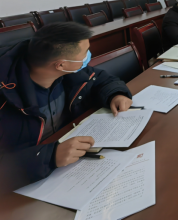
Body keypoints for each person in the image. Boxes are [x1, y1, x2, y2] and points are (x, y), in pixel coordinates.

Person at [0, 23, 133, 194]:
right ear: (61, 65)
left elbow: (99, 78)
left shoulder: (69, 72)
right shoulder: (7, 97)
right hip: (28, 183)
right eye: (85, 52)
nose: (89, 55)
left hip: (69, 157)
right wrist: (50, 156)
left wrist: (116, 94)